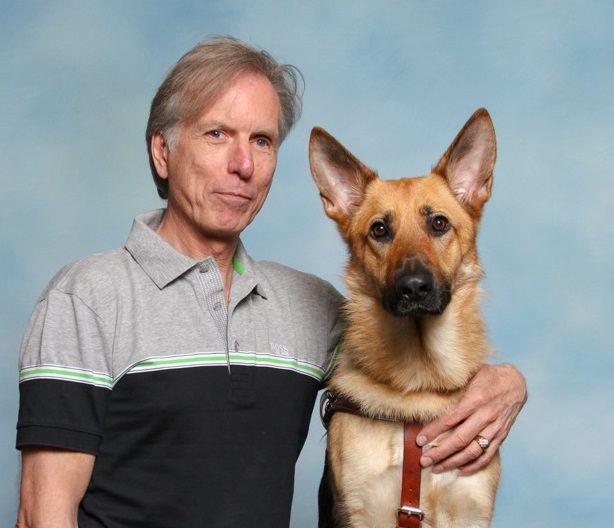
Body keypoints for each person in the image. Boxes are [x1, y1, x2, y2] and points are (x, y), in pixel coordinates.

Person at [15, 36, 527, 527]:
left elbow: (411, 370)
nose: (242, 165)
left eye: (260, 141)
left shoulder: (314, 307)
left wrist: (508, 383)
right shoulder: (86, 298)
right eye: (217, 134)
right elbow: (43, 516)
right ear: (163, 153)